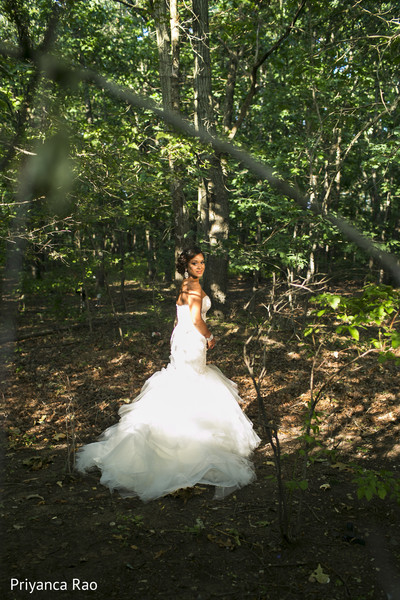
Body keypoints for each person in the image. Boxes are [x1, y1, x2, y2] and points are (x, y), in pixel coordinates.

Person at [76, 247, 260, 501]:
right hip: (192, 339)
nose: (200, 267)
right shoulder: (193, 287)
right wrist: (209, 336)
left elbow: (180, 317)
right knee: (193, 382)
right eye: (195, 263)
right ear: (187, 266)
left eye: (202, 263)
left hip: (181, 339)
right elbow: (196, 319)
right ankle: (188, 442)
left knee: (184, 381)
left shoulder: (186, 285)